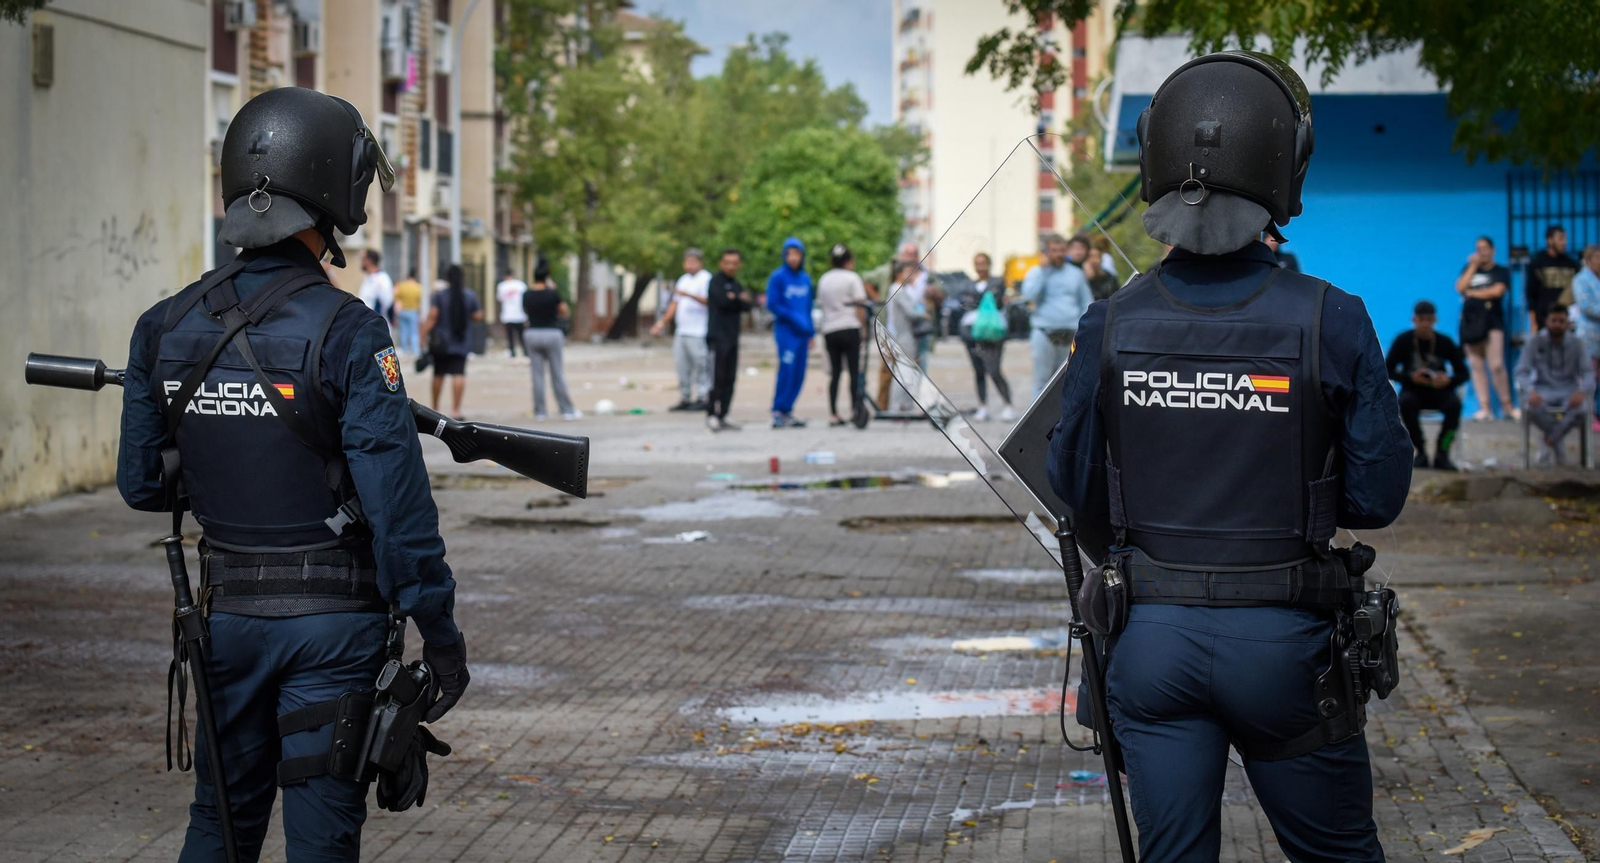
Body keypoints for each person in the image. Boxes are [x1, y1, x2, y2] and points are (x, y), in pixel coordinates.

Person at [1047, 52, 1412, 862]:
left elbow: (1070, 488)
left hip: (1150, 646)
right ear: (1287, 164)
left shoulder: (1110, 323)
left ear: (1155, 163)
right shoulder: (1333, 319)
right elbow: (1378, 496)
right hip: (1285, 646)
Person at [116, 87, 468, 862]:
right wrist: (439, 636)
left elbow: (144, 485)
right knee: (320, 843)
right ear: (333, 192)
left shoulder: (163, 325)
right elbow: (399, 512)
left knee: (217, 825)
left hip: (226, 620)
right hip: (330, 635)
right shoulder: (349, 330)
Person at [1386, 300, 1469, 470]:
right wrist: (1411, 378)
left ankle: (1442, 452)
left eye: (1428, 320)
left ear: (1434, 320)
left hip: (1440, 391)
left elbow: (1463, 373)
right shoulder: (1403, 340)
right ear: (1414, 320)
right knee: (1406, 404)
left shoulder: (1445, 342)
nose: (1425, 324)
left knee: (1455, 405)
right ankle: (1420, 450)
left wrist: (1448, 380)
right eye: (1421, 319)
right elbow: (1387, 370)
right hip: (1413, 391)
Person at [1516, 305, 1594, 465]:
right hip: (1543, 389)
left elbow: (1588, 373)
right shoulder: (1535, 341)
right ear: (1547, 321)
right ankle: (1556, 442)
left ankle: (1549, 440)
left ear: (1567, 324)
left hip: (1569, 390)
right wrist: (1530, 391)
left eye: (1561, 321)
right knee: (1531, 408)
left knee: (1581, 409)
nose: (1557, 325)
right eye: (1554, 321)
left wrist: (1582, 391)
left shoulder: (1577, 343)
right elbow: (1521, 372)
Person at [1020, 234, 1094, 397]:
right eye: (1054, 251)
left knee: (1068, 382)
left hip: (1070, 335)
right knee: (1042, 382)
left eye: (1061, 250)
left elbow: (1086, 302)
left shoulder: (1075, 273)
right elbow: (1029, 296)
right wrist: (1042, 272)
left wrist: (1084, 329)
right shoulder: (1036, 272)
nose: (1058, 254)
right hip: (1044, 333)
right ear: (1046, 252)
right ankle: (1038, 423)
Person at [1456, 236, 1518, 422]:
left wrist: (1473, 293)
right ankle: (1485, 408)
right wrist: (1473, 266)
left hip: (1493, 323)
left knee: (1496, 365)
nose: (1481, 252)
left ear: (1493, 250)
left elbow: (1497, 291)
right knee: (1476, 366)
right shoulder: (1469, 269)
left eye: (1484, 248)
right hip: (1471, 324)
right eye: (1478, 248)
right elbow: (1460, 287)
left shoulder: (1500, 271)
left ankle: (1507, 406)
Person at [651, 248, 712, 411]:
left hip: (698, 332)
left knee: (701, 366)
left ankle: (703, 397)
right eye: (687, 261)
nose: (689, 265)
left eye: (693, 261)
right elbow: (674, 304)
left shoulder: (706, 279)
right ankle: (685, 398)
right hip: (682, 332)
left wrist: (688, 294)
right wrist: (661, 323)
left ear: (700, 263)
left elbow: (709, 301)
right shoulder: (683, 280)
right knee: (682, 366)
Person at [957, 252, 1015, 421]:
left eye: (984, 263)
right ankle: (983, 406)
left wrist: (975, 300)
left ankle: (1008, 404)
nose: (980, 267)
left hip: (992, 332)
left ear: (989, 264)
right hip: (973, 332)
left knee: (994, 369)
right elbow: (965, 303)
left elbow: (995, 301)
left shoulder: (997, 281)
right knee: (978, 370)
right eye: (977, 263)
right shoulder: (969, 284)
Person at [816, 243, 869, 426]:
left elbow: (821, 305)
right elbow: (859, 306)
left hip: (830, 329)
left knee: (835, 373)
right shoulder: (852, 278)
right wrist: (864, 327)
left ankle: (833, 413)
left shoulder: (824, 279)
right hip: (849, 326)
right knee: (854, 371)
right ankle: (855, 409)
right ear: (848, 260)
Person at [422, 264, 483, 419]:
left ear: (447, 278)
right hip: (461, 341)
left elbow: (432, 316)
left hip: (441, 343)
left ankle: (435, 409)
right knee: (459, 373)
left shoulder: (440, 296)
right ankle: (456, 410)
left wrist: (422, 334)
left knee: (438, 374)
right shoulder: (469, 295)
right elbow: (478, 315)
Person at [521, 261, 579, 420]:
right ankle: (566, 410)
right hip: (552, 333)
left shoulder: (527, 294)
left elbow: (526, 311)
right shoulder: (552, 293)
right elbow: (564, 311)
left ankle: (540, 411)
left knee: (537, 374)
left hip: (532, 334)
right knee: (557, 373)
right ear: (546, 277)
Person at [766, 237, 814, 428]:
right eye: (789, 254)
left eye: (797, 254)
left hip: (803, 333)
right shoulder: (777, 277)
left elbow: (808, 306)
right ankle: (778, 410)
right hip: (787, 332)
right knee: (787, 370)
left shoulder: (805, 279)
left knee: (799, 373)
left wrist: (810, 331)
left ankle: (788, 410)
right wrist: (794, 318)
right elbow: (773, 304)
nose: (793, 258)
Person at [706, 248, 752, 431]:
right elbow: (723, 302)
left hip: (733, 338)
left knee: (730, 378)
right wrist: (736, 300)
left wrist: (737, 299)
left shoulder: (736, 284)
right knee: (716, 378)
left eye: (735, 263)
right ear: (721, 263)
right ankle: (711, 414)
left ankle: (724, 414)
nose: (731, 266)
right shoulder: (715, 282)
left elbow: (747, 305)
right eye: (728, 262)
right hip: (717, 338)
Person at [1526, 224, 1580, 334]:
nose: (1564, 242)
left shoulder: (1572, 264)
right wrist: (1533, 323)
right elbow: (1531, 295)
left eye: (1565, 238)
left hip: (1567, 320)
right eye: (1560, 238)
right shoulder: (1538, 263)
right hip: (1543, 320)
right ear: (1549, 240)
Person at [1573, 245, 1600, 432]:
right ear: (1588, 259)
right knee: (1589, 379)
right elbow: (1586, 306)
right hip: (1589, 336)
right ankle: (1587, 415)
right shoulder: (1581, 280)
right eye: (1597, 257)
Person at [495, 268, 528, 358]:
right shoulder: (521, 285)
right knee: (521, 335)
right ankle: (525, 352)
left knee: (510, 336)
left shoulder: (502, 286)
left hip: (508, 315)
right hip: (520, 314)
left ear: (504, 276)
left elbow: (499, 299)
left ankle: (512, 352)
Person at [393, 269, 424, 354]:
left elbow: (396, 298)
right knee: (414, 332)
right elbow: (419, 301)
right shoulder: (418, 287)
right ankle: (415, 351)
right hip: (413, 311)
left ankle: (404, 350)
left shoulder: (402, 286)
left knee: (404, 331)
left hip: (403, 311)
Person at [359, 248, 394, 319]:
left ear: (369, 261)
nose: (361, 262)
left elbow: (387, 302)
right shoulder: (368, 278)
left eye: (363, 259)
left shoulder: (382, 279)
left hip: (375, 323)